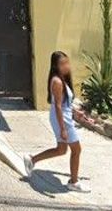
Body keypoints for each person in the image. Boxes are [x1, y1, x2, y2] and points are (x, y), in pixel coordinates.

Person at [23, 51, 90, 193]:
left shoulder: (62, 80)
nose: (66, 66)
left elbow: (65, 104)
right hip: (62, 119)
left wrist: (76, 113)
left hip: (63, 117)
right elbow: (58, 106)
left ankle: (32, 159)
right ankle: (74, 182)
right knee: (76, 149)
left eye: (67, 63)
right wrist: (63, 128)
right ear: (55, 66)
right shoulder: (57, 82)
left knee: (61, 150)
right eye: (62, 64)